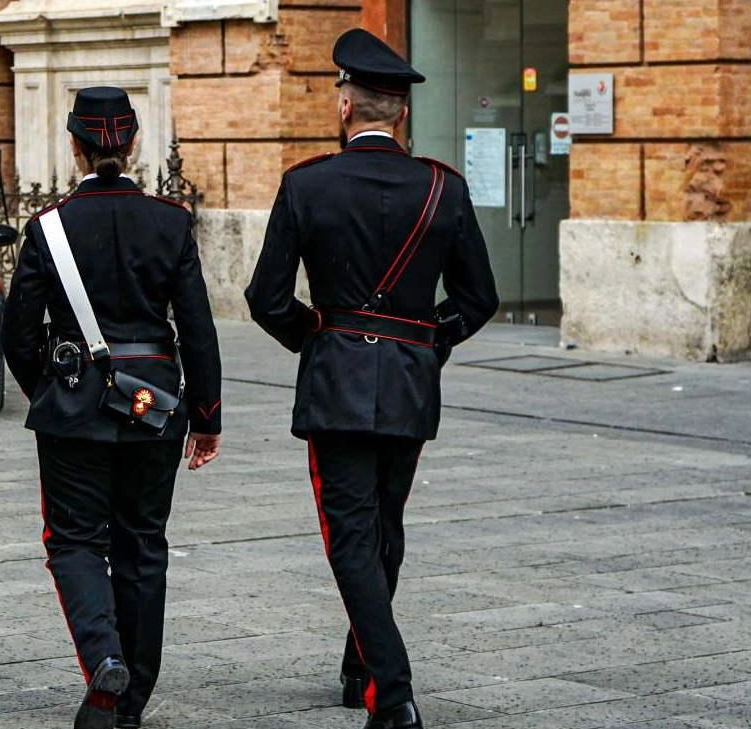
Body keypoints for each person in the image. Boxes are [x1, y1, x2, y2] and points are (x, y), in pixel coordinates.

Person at [244, 28, 498, 729]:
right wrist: (424, 341)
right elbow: (478, 299)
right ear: (400, 113)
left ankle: (391, 690)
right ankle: (361, 658)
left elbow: (265, 298)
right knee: (384, 524)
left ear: (345, 107)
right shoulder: (441, 188)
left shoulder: (306, 184)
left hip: (336, 383)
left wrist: (322, 341)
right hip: (410, 381)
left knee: (351, 534)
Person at [2, 87, 223, 729]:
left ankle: (102, 659)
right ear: (132, 145)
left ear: (75, 145)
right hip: (156, 401)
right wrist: (205, 415)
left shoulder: (49, 226)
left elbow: (18, 333)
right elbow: (199, 328)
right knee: (143, 545)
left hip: (75, 404)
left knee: (73, 540)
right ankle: (132, 700)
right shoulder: (171, 220)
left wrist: (49, 388)